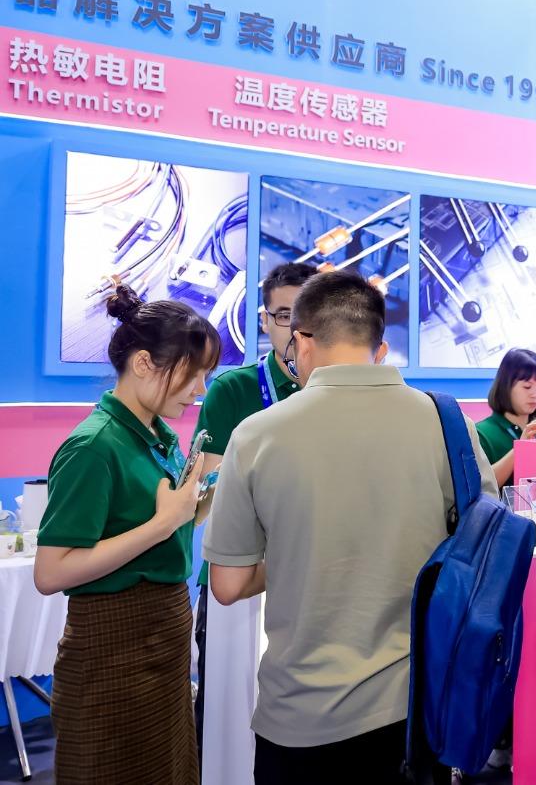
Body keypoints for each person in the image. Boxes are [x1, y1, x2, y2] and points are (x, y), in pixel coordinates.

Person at [202, 270, 495, 785]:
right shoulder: (449, 424)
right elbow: (483, 544)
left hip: (301, 716)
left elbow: (227, 584)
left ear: (301, 342)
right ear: (378, 348)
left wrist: (297, 554)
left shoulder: (256, 435)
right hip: (419, 708)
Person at [35, 283, 220, 785]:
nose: (200, 390)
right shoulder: (94, 446)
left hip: (163, 636)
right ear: (143, 364)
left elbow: (165, 531)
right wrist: (163, 523)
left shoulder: (158, 434)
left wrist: (202, 500)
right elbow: (51, 572)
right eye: (192, 373)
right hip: (111, 646)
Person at [190, 261, 316, 778]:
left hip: (315, 577)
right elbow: (207, 497)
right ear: (264, 321)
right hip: (239, 580)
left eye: (307, 316)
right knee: (229, 726)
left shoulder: (339, 394)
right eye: (284, 316)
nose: (296, 330)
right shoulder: (233, 390)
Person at [477, 347, 536, 488]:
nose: (535, 395)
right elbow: (481, 486)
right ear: (506, 386)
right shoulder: (481, 433)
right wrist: (520, 449)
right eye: (527, 387)